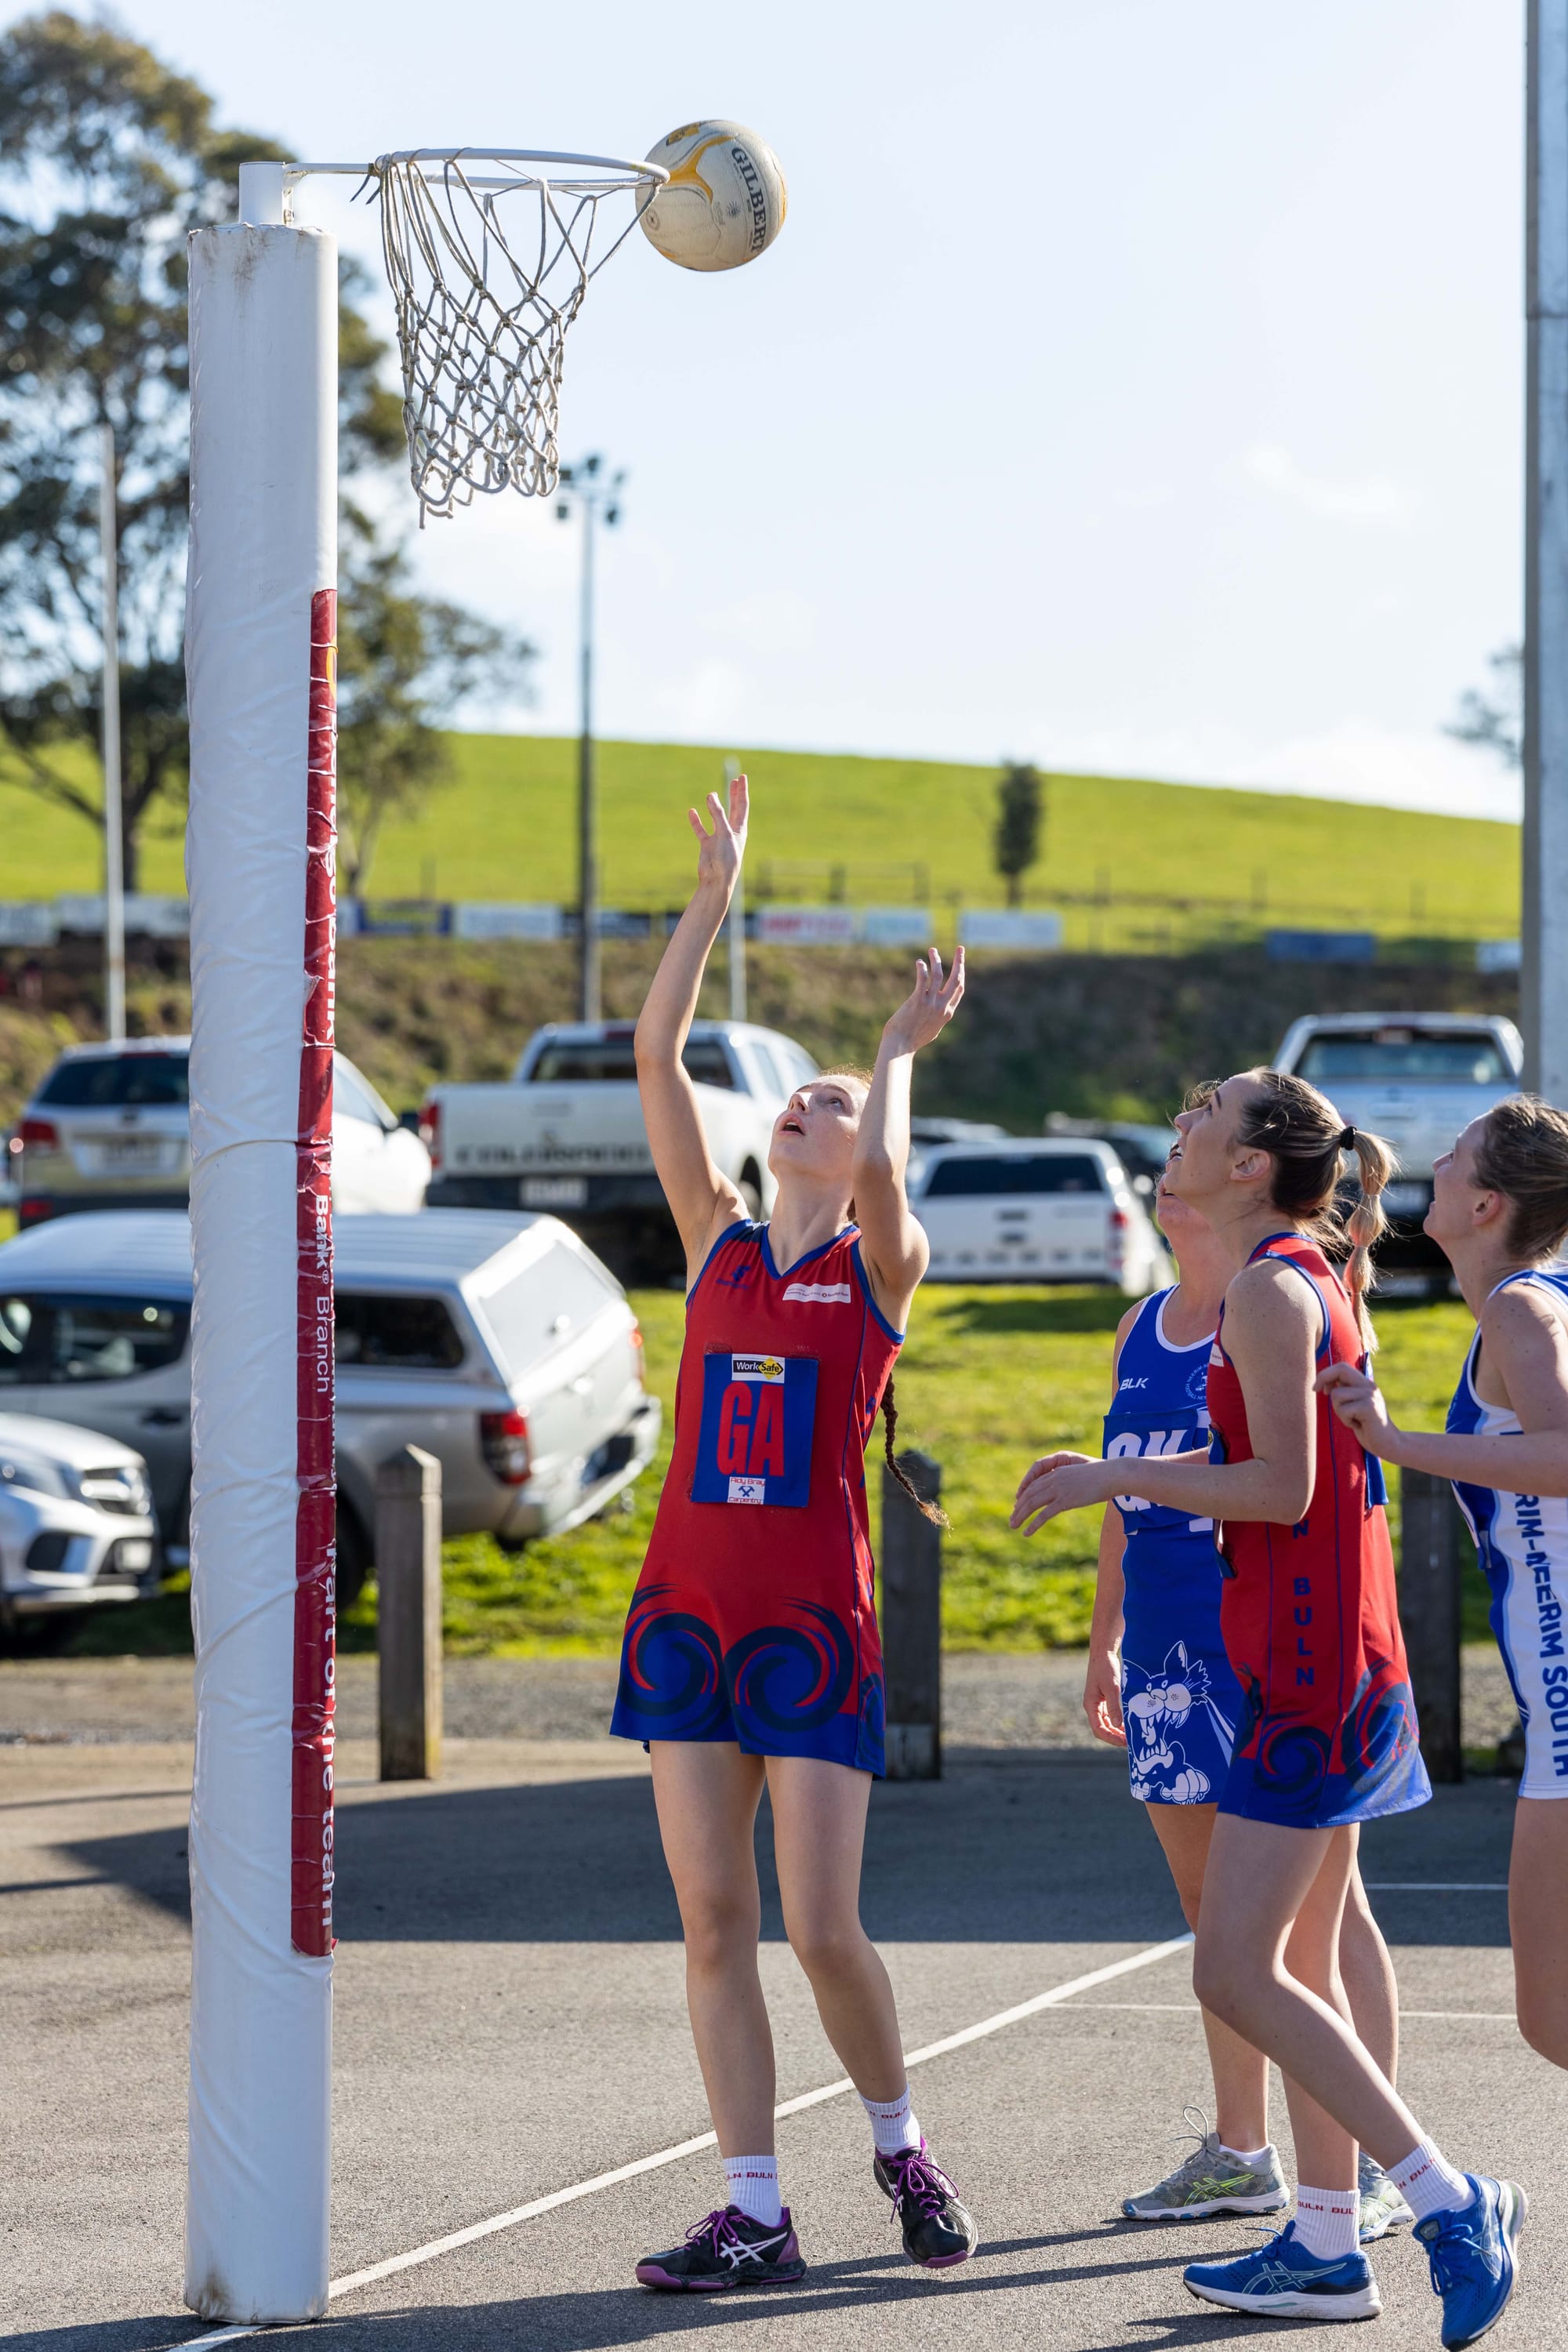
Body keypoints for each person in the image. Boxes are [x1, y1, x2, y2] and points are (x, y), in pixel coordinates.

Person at [1012, 1069, 1524, 2347]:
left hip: (1310, 1672)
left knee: (1239, 1965)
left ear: (1250, 1164)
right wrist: (1119, 1479)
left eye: (1209, 1110)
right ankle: (1327, 2243)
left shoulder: (1269, 1288)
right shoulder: (1291, 1277)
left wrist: (1112, 1477)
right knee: (1286, 1963)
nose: (1183, 1120)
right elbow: (1270, 1467)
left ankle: (1448, 2198)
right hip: (1311, 1662)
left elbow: (1280, 1488)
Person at [611, 772, 978, 2292]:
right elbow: (656, 1054)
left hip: (815, 1631)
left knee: (824, 1926)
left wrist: (891, 1057)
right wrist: (711, 904)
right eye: (803, 1096)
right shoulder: (714, 1244)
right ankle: (753, 2207)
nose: (807, 1108)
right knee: (714, 1920)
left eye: (827, 1102)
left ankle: (900, 2145)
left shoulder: (879, 1268)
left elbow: (884, 1171)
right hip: (687, 1621)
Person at [1091, 1149, 1410, 2242]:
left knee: (1324, 1918)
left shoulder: (1275, 1301)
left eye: (1189, 1144)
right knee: (1215, 1925)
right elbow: (1120, 1500)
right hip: (1167, 1650)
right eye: (1167, 1154)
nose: (1168, 1169)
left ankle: (1367, 2160)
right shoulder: (1141, 1326)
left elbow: (1318, 1485)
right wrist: (1105, 1641)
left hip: (1266, 1637)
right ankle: (1242, 2154)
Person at [1318, 1093, 1568, 2077]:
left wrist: (1392, 1442)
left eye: (1459, 1155)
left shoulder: (1519, 1307)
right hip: (1552, 1713)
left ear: (1486, 1204)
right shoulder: (1530, 1302)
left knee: (1550, 2018)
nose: (1441, 1163)